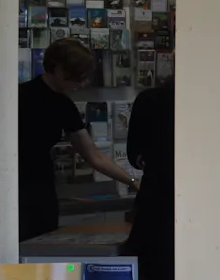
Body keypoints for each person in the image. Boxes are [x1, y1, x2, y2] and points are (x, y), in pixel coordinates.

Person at [19, 38, 138, 242]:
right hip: (19, 188)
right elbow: (94, 156)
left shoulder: (63, 105)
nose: (81, 84)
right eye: (77, 77)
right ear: (57, 69)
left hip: (41, 190)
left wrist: (132, 181)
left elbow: (93, 155)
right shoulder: (19, 97)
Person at [123, 77, 175, 280]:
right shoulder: (215, 101)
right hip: (206, 206)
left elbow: (135, 156)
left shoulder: (150, 100)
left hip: (157, 206)